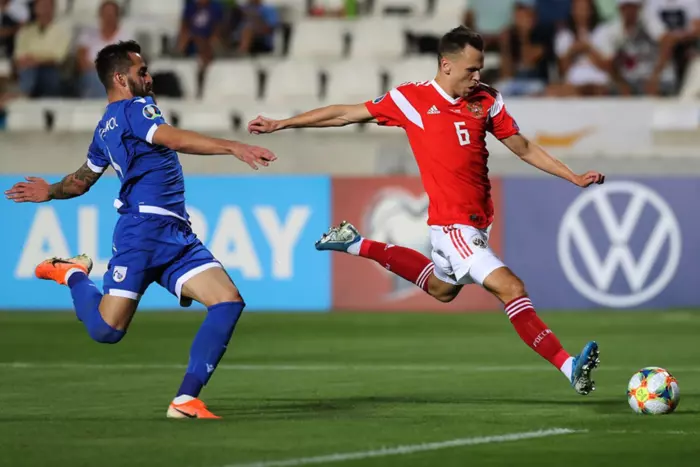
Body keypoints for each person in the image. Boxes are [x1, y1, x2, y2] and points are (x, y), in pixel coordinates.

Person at [248, 26, 605, 396]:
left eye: (480, 69)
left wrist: (572, 176)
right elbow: (344, 114)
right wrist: (282, 123)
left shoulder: (486, 99)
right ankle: (569, 367)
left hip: (476, 223)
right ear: (446, 65)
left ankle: (355, 243)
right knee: (511, 288)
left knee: (442, 289)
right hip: (454, 227)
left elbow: (523, 147)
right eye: (471, 69)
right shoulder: (412, 99)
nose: (477, 77)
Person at [5, 40, 276, 419]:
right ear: (120, 78)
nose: (148, 78)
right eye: (141, 71)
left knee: (227, 302)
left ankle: (185, 400)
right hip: (144, 231)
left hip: (175, 233)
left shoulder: (104, 128)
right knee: (107, 331)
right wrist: (233, 146)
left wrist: (50, 191)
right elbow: (172, 138)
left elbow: (82, 180)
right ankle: (72, 274)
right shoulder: (137, 109)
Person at [596, 0, 676, 95]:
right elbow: (608, 62)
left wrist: (655, 75)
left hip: (659, 79)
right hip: (630, 80)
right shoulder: (612, 30)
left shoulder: (649, 22)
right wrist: (621, 84)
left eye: (633, 7)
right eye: (626, 7)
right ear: (620, 8)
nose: (630, 11)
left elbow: (667, 40)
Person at [548, 0, 610, 96]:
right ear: (572, 11)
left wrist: (588, 48)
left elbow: (607, 66)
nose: (581, 12)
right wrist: (573, 51)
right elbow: (562, 70)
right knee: (551, 91)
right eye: (578, 8)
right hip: (573, 85)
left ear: (591, 10)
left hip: (598, 83)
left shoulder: (602, 32)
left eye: (584, 8)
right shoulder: (564, 35)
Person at [13, 0, 72, 97]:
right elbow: (19, 55)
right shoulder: (25, 31)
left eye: (47, 6)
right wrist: (32, 61)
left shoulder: (62, 32)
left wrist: (35, 60)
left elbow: (58, 58)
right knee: (28, 70)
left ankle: (23, 95)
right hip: (28, 69)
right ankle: (24, 95)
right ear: (35, 9)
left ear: (53, 9)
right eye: (41, 6)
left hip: (51, 70)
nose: (44, 9)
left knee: (40, 72)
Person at [76, 1, 130, 98]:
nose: (108, 18)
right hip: (91, 74)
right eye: (105, 14)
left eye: (111, 14)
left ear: (117, 16)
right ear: (100, 15)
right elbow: (81, 60)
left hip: (116, 76)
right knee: (94, 78)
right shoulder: (87, 35)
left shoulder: (126, 37)